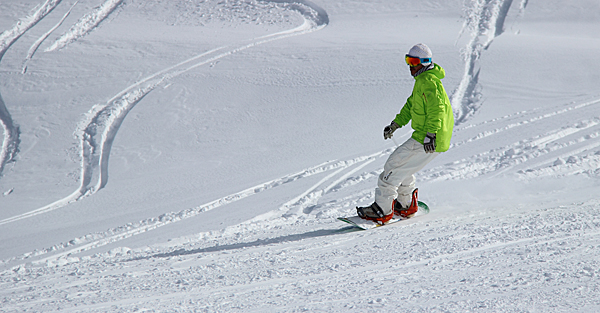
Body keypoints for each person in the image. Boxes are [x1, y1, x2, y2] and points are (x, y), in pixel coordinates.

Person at [357, 43, 454, 224]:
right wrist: (395, 124)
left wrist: (431, 134)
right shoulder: (423, 81)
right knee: (404, 167)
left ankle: (382, 210)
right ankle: (405, 204)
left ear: (424, 62)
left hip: (428, 138)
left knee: (392, 167)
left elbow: (437, 110)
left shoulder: (429, 83)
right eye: (408, 60)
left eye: (414, 61)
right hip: (426, 136)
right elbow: (411, 106)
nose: (410, 66)